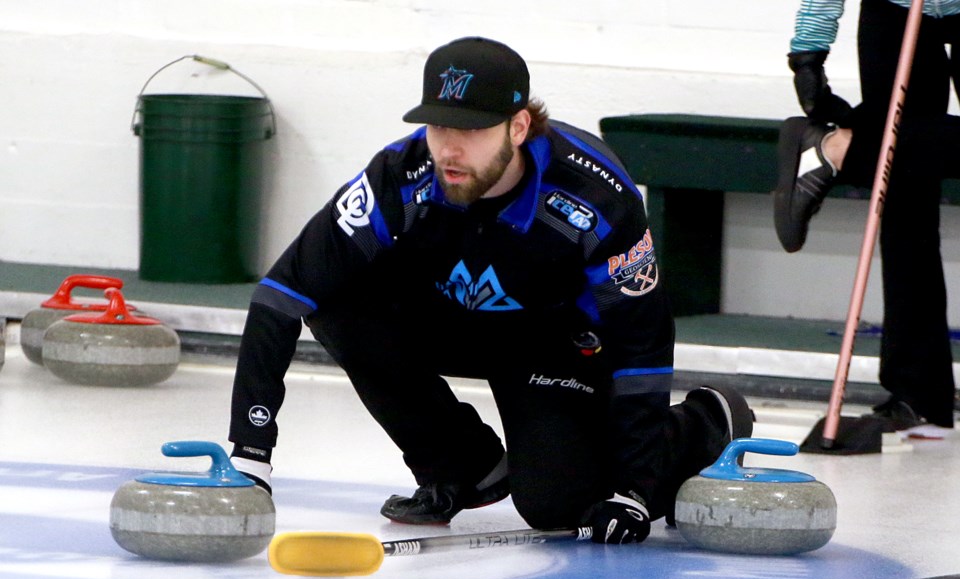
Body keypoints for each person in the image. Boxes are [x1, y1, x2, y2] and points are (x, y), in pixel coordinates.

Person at [226, 36, 754, 544]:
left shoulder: (594, 199)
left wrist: (637, 490)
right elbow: (282, 292)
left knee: (557, 507)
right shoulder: (401, 174)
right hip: (457, 318)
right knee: (336, 299)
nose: (449, 149)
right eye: (437, 126)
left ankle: (708, 420)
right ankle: (463, 467)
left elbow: (642, 344)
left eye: (473, 130)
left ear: (518, 127)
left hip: (556, 344)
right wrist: (250, 452)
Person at [775, 0, 960, 429]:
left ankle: (837, 148)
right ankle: (919, 393)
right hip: (898, 10)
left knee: (897, 162)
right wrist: (809, 49)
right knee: (905, 200)